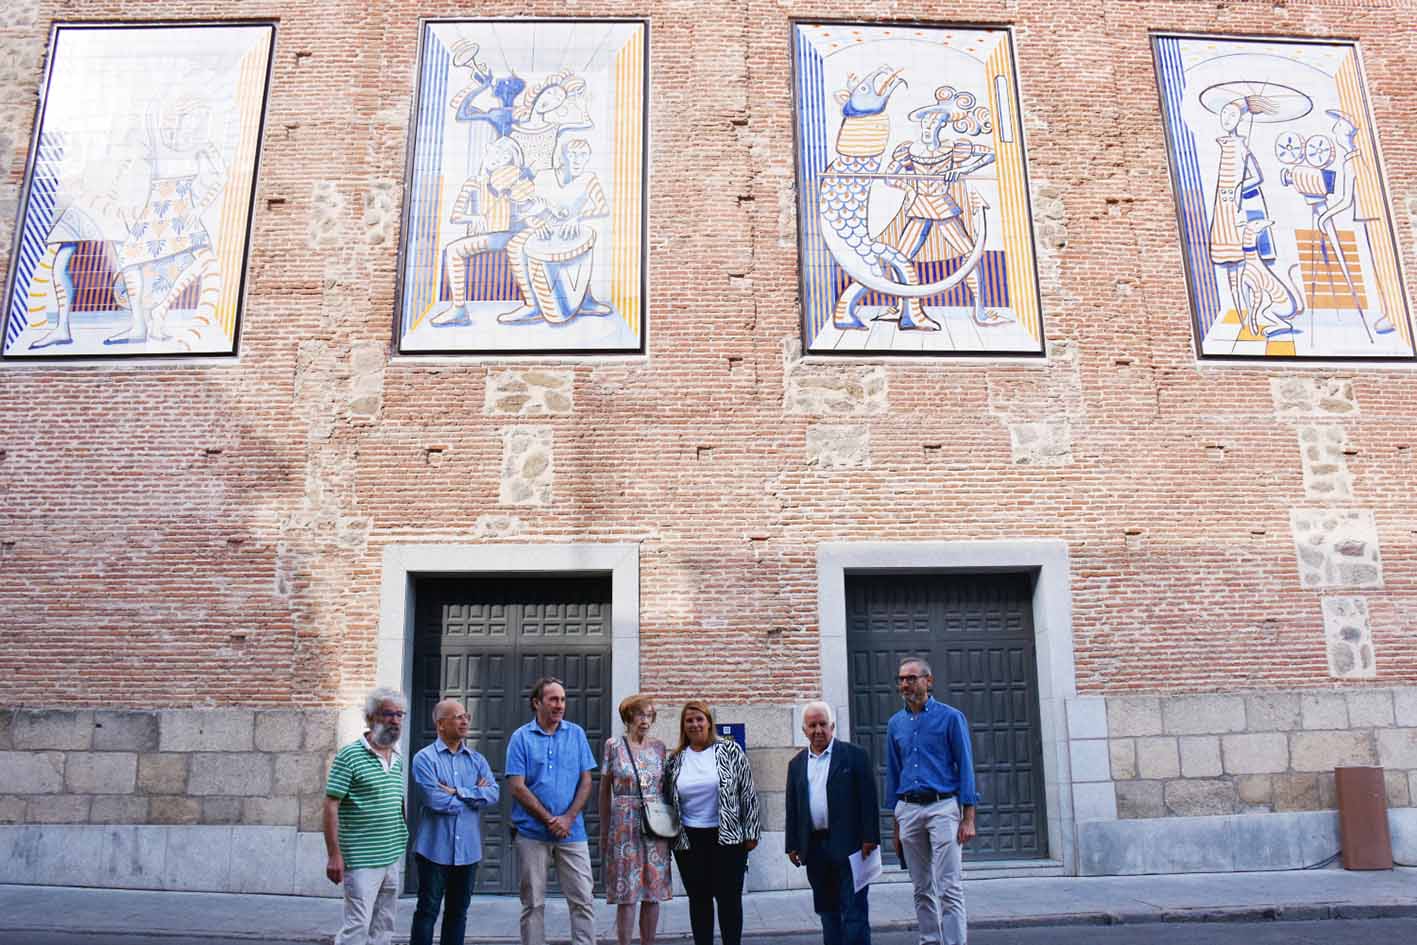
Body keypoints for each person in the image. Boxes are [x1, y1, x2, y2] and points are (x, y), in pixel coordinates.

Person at [886, 658, 979, 945]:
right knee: (920, 887)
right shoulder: (895, 723)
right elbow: (894, 772)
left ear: (929, 681)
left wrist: (968, 818)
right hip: (909, 810)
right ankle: (930, 940)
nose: (905, 685)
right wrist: (896, 824)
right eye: (902, 679)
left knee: (949, 886)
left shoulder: (951, 718)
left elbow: (965, 767)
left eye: (912, 678)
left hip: (942, 808)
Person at [505, 676, 597, 945]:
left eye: (563, 700)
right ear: (537, 703)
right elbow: (517, 786)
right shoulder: (520, 738)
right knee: (533, 903)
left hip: (573, 832)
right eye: (553, 699)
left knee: (583, 899)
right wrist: (549, 819)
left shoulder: (576, 734)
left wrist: (567, 818)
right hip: (532, 833)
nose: (560, 705)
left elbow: (587, 780)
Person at [663, 700, 761, 945]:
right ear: (683, 727)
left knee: (729, 901)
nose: (695, 724)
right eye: (689, 721)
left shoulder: (730, 750)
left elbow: (747, 791)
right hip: (689, 841)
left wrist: (751, 833)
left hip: (728, 839)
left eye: (699, 719)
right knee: (699, 901)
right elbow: (667, 799)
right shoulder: (675, 760)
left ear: (708, 722)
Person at [785, 701, 880, 945]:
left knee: (854, 913)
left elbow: (868, 800)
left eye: (823, 724)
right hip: (815, 849)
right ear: (804, 730)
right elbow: (793, 808)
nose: (818, 730)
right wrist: (792, 844)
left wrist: (870, 837)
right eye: (812, 725)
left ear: (833, 726)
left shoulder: (855, 756)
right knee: (828, 913)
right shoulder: (796, 765)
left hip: (852, 847)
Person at [323, 687, 410, 945]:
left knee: (384, 924)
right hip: (360, 859)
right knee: (358, 924)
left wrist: (402, 834)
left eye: (399, 714)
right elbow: (330, 806)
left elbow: (398, 800)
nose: (395, 720)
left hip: (391, 855)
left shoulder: (397, 757)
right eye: (388, 714)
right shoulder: (350, 756)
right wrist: (334, 855)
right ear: (371, 717)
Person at [409, 697, 499, 945]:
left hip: (468, 852)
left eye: (466, 716)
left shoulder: (477, 759)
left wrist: (458, 791)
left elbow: (493, 794)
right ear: (441, 724)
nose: (465, 720)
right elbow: (435, 800)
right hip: (433, 850)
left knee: (458, 914)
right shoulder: (424, 759)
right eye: (458, 716)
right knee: (427, 911)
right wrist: (473, 794)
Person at [599, 693, 673, 945]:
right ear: (628, 716)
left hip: (654, 824)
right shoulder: (613, 746)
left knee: (653, 892)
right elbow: (604, 791)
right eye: (641, 714)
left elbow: (667, 789)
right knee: (626, 892)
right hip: (623, 824)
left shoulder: (659, 747)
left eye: (650, 715)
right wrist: (603, 831)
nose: (645, 720)